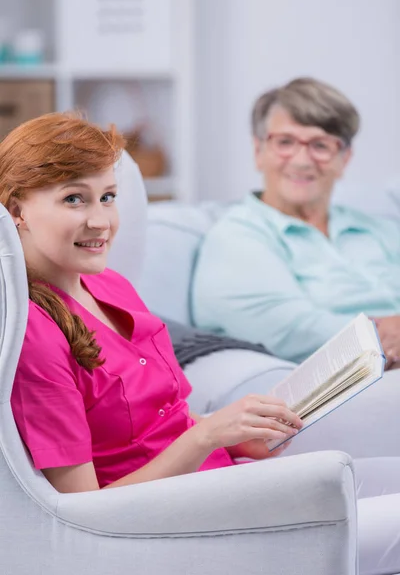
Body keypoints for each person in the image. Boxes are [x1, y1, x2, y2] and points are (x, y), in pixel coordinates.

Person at [2, 113, 400, 575]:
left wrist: (236, 435)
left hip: (226, 481)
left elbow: (165, 416)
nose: (101, 220)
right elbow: (82, 515)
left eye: (108, 197)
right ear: (16, 210)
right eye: (74, 199)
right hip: (186, 523)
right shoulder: (33, 336)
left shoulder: (108, 284)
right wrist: (206, 435)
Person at [191, 77, 400, 368]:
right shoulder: (237, 238)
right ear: (258, 151)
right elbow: (292, 331)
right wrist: (386, 334)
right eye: (285, 142)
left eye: (320, 145)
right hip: (355, 378)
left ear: (345, 159)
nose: (302, 160)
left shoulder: (380, 230)